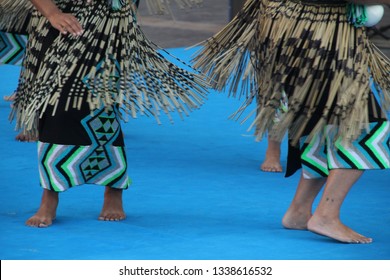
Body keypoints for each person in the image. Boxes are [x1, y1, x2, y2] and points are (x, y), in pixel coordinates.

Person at [193, 0, 390, 243]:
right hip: (315, 33)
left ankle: (298, 212)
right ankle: (326, 215)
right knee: (365, 127)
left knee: (320, 123)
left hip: (294, 27)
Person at [0, 0, 208, 227]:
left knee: (101, 103)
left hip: (107, 17)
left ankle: (113, 186)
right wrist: (51, 12)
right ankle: (50, 192)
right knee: (54, 104)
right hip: (57, 17)